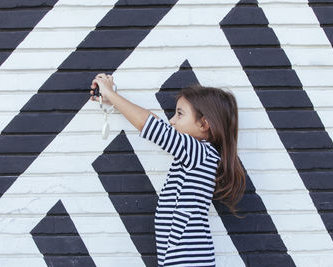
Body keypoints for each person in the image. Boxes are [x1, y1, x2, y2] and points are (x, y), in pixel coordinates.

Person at [90, 73, 245, 267]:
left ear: (204, 124)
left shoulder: (199, 152)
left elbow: (153, 127)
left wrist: (111, 94)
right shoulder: (197, 155)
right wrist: (112, 98)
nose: (172, 120)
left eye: (180, 114)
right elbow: (158, 125)